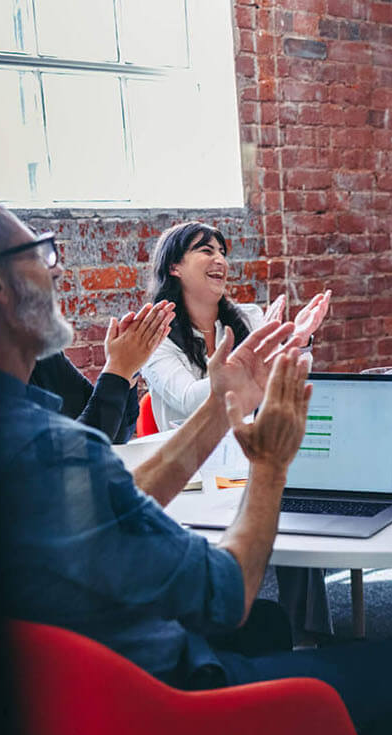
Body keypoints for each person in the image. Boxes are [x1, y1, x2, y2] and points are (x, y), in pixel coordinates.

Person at [0, 184, 392, 735]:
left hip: (72, 703)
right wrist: (270, 465)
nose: (53, 267)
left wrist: (222, 405)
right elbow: (230, 587)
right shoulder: (47, 450)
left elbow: (97, 503)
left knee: (270, 626)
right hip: (163, 707)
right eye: (39, 251)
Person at [140, 221, 335, 641]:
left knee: (295, 501)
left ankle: (308, 633)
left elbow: (281, 384)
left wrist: (298, 345)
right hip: (195, 467)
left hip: (252, 450)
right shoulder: (157, 338)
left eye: (221, 251)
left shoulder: (247, 316)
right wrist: (234, 381)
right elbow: (188, 397)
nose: (219, 259)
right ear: (174, 266)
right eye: (204, 250)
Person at [28, 300, 174, 442]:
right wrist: (118, 369)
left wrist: (129, 369)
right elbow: (77, 451)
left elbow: (117, 435)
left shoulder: (41, 355)